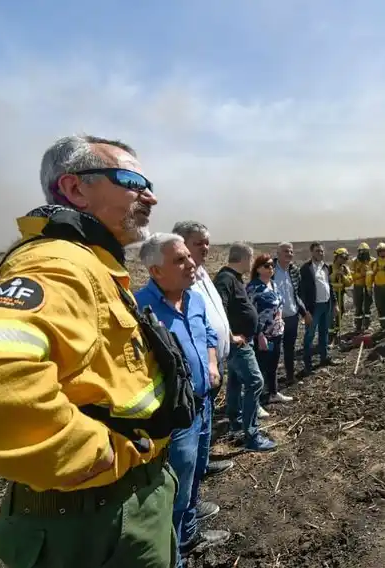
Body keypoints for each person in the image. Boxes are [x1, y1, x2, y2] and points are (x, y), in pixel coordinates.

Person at [0, 135, 177, 567]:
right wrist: (97, 456)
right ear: (74, 189)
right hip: (94, 523)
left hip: (110, 515)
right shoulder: (58, 261)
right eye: (131, 180)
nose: (150, 196)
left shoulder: (93, 262)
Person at [135, 233, 230, 563]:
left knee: (194, 478)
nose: (191, 263)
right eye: (180, 259)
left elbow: (207, 337)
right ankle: (173, 557)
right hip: (176, 418)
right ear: (156, 271)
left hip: (204, 407)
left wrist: (213, 363)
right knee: (174, 491)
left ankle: (189, 537)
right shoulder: (140, 309)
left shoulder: (194, 300)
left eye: (189, 257)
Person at [172, 221, 234, 478]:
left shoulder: (204, 274)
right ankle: (191, 478)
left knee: (206, 421)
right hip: (196, 370)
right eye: (199, 243)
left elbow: (212, 315)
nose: (206, 248)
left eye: (207, 242)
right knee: (193, 426)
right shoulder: (180, 282)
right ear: (181, 244)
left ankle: (203, 465)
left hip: (213, 363)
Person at [214, 243, 276, 450]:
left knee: (234, 383)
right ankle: (251, 435)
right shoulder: (225, 279)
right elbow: (218, 308)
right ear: (243, 258)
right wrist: (230, 336)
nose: (251, 263)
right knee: (255, 382)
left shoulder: (234, 278)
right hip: (238, 344)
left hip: (243, 341)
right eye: (250, 259)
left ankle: (236, 423)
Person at [247, 254, 293, 404]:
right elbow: (250, 313)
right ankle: (256, 401)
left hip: (277, 331)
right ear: (258, 268)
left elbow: (279, 304)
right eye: (266, 266)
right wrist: (259, 334)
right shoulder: (253, 288)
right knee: (260, 367)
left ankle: (273, 392)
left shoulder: (273, 284)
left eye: (272, 265)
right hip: (262, 334)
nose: (271, 268)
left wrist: (280, 322)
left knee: (273, 365)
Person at [273, 242, 310, 382]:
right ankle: (271, 383)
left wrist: (304, 312)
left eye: (291, 252)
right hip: (275, 319)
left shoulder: (294, 270)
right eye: (285, 251)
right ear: (278, 253)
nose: (289, 254)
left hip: (292, 316)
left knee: (290, 349)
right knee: (274, 352)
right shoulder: (270, 269)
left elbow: (297, 293)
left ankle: (290, 376)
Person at [299, 242, 336, 374]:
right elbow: (301, 290)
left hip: (326, 304)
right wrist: (304, 310)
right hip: (313, 307)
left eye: (321, 251)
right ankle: (307, 365)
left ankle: (324, 358)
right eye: (317, 251)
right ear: (312, 252)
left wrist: (334, 303)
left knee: (324, 332)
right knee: (309, 335)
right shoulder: (306, 269)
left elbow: (329, 286)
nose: (320, 253)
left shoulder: (325, 267)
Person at [329, 248, 354, 342]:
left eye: (345, 258)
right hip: (331, 294)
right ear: (336, 257)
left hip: (340, 293)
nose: (344, 260)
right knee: (332, 314)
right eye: (342, 257)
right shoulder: (329, 267)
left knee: (340, 312)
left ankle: (336, 332)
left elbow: (349, 282)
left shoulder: (345, 268)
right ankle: (330, 336)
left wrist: (343, 276)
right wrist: (335, 274)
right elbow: (327, 280)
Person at [351, 243, 374, 332]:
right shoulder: (354, 262)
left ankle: (367, 325)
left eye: (365, 251)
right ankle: (358, 326)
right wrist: (361, 274)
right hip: (358, 286)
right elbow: (351, 275)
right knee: (358, 306)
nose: (363, 253)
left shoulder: (372, 261)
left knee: (367, 306)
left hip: (369, 286)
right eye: (361, 252)